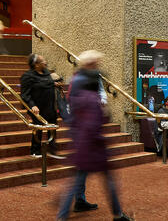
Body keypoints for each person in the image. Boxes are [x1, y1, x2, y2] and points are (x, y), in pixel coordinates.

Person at [56, 50, 131, 220]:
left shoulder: (76, 87)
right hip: (91, 145)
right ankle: (118, 215)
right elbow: (93, 123)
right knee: (107, 179)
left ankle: (65, 213)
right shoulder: (89, 97)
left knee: (76, 178)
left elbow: (74, 117)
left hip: (81, 141)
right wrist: (100, 137)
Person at [20, 53, 65, 159]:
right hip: (37, 108)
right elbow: (25, 94)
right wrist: (32, 106)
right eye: (42, 61)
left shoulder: (46, 73)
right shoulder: (27, 76)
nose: (45, 62)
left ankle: (52, 150)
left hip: (50, 106)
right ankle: (35, 150)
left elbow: (46, 83)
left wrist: (54, 84)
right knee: (38, 128)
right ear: (36, 65)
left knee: (52, 127)